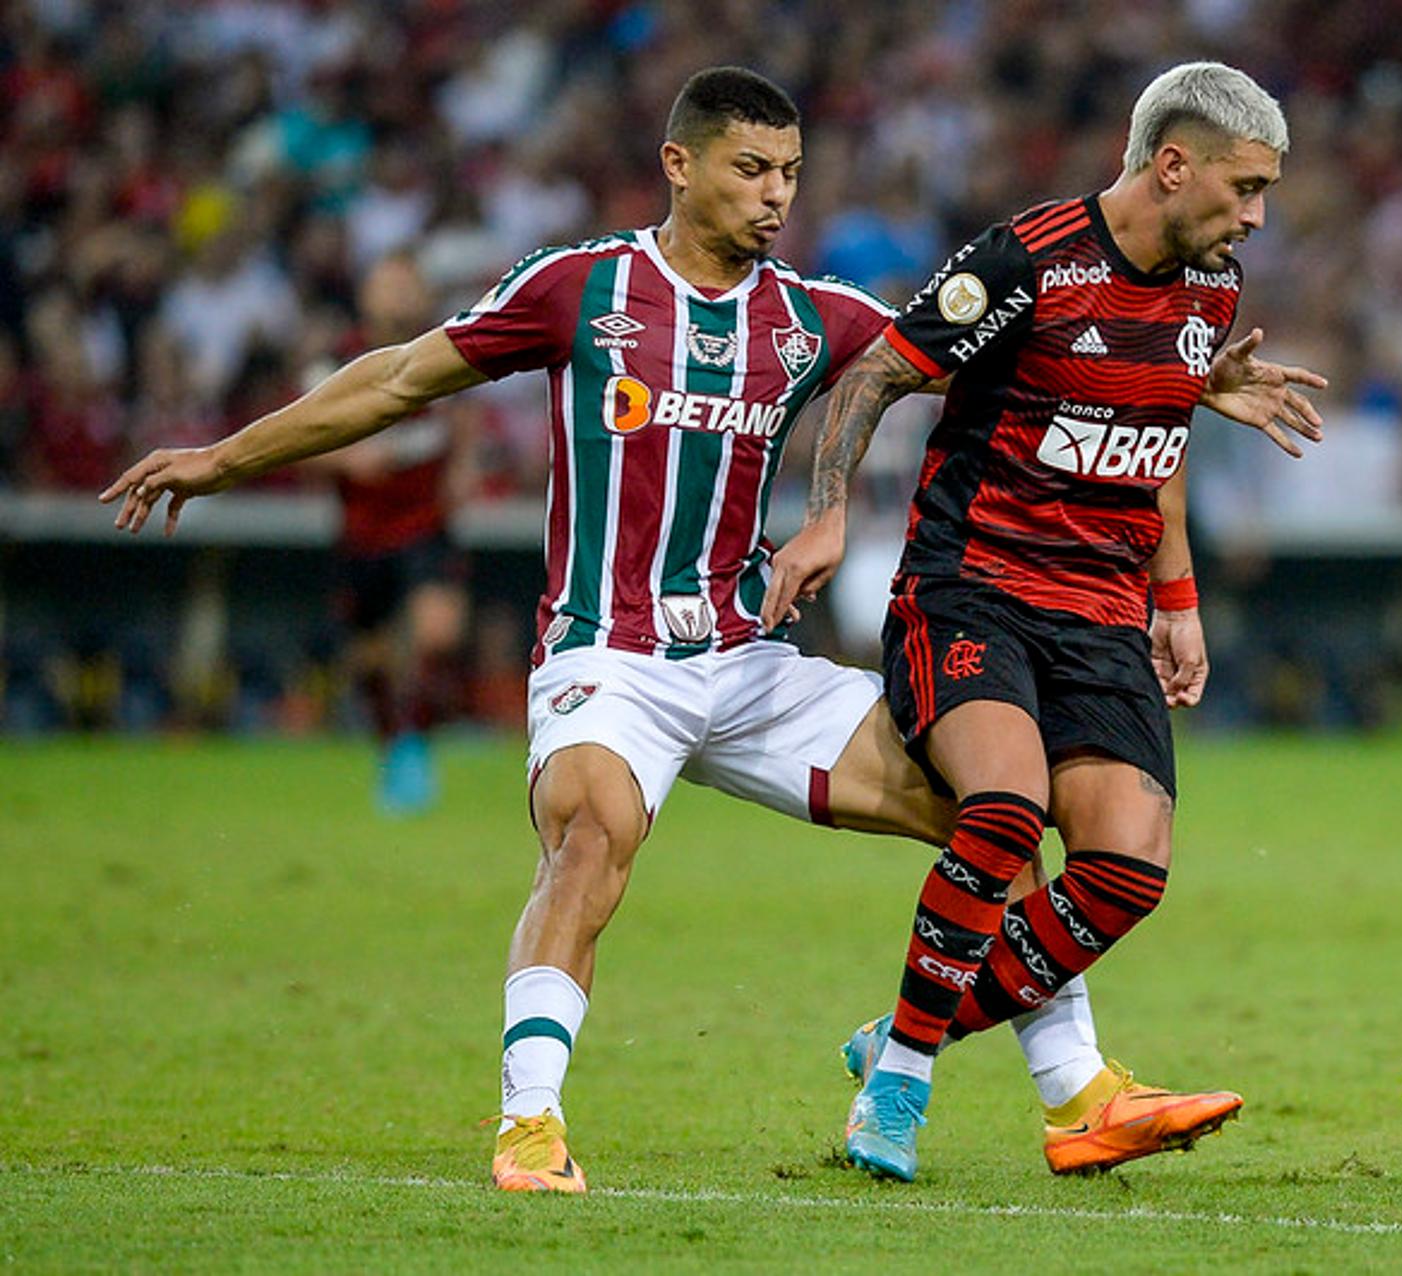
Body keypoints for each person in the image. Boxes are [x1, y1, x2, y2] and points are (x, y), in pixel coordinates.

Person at [100, 67, 1274, 1193]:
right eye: (752, 168)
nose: (775, 194)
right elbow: (401, 380)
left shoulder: (813, 318)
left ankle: (1075, 1093)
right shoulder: (581, 289)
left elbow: (1001, 358)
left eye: (791, 174)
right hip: (606, 652)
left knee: (994, 816)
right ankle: (529, 1124)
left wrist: (1181, 376)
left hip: (750, 657)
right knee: (592, 843)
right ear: (679, 164)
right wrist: (225, 457)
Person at [762, 61, 1327, 1182]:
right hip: (971, 591)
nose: (1258, 214)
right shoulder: (1028, 260)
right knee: (1008, 806)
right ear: (1173, 166)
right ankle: (902, 1089)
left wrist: (1176, 596)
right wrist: (825, 516)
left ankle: (910, 1032)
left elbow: (1154, 439)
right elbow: (872, 377)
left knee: (1130, 867)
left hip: (1104, 612)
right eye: (1246, 186)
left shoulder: (1211, 288)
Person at [303, 253, 479, 813]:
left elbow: (465, 417)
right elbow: (300, 439)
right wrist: (345, 461)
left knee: (437, 635)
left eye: (409, 285)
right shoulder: (334, 362)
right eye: (389, 285)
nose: (400, 296)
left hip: (427, 526)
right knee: (371, 662)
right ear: (366, 296)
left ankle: (415, 742)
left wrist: (464, 466)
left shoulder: (446, 350)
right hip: (363, 535)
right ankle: (394, 745)